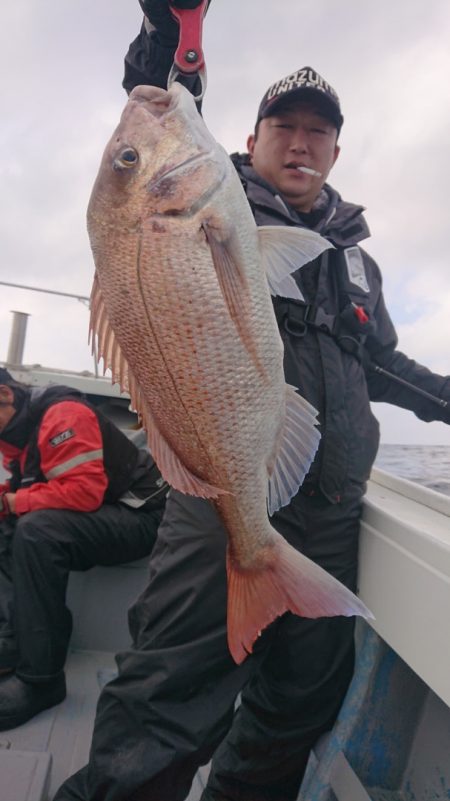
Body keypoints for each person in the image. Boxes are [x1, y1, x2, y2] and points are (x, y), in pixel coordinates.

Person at [55, 3, 450, 800]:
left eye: (318, 132)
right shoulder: (213, 201)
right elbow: (152, 95)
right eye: (284, 127)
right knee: (165, 702)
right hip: (217, 498)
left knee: (299, 703)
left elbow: (387, 368)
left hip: (330, 514)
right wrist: (168, 35)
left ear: (336, 149)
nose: (301, 142)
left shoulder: (356, 264)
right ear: (251, 139)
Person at [0, 367, 167, 730]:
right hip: (105, 511)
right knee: (10, 526)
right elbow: (27, 483)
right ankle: (13, 641)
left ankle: (40, 681)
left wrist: (14, 503)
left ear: (5, 396)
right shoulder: (12, 430)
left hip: (139, 516)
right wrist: (6, 501)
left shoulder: (63, 415)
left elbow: (84, 493)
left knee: (35, 532)